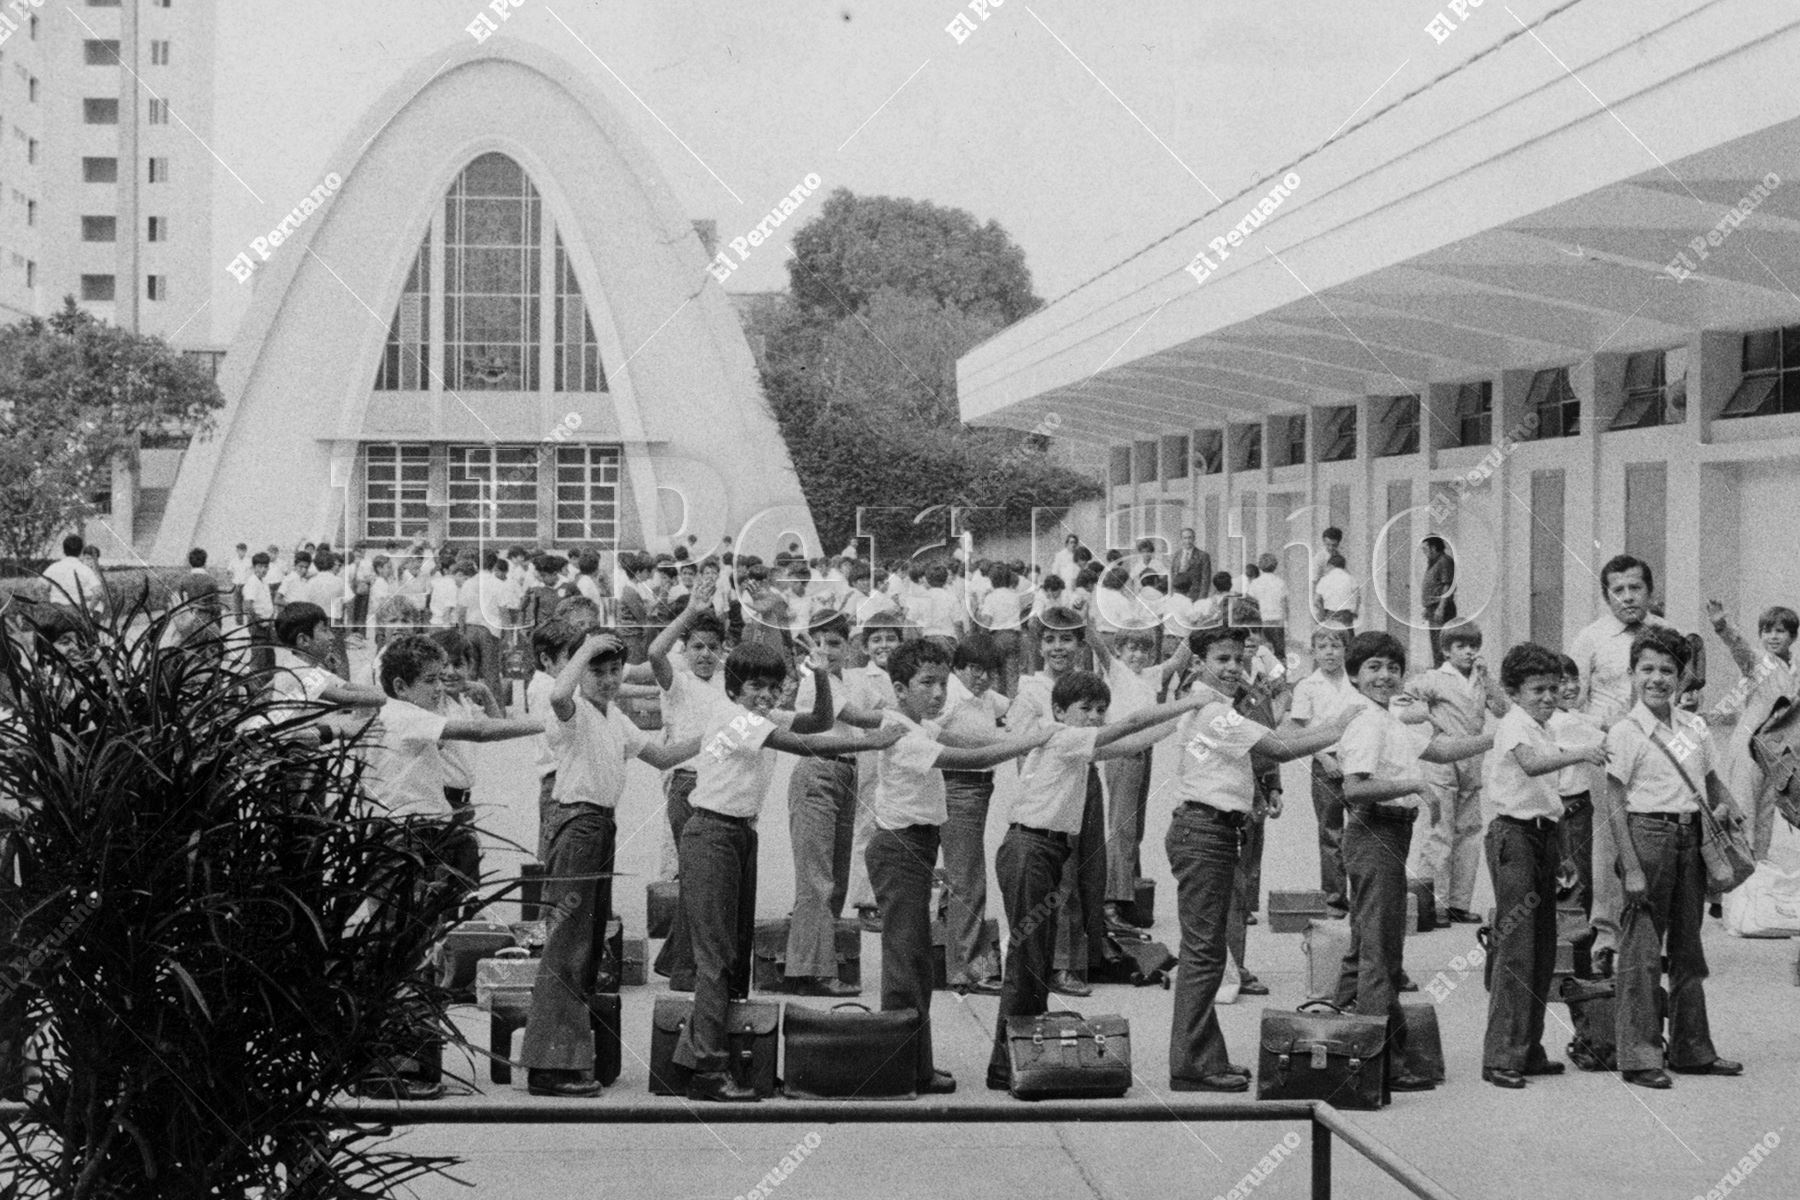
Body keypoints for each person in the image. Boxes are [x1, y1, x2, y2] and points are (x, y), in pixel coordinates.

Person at [674, 642, 903, 1102]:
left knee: (731, 956)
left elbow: (818, 720)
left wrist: (818, 675)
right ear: (735, 688)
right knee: (715, 956)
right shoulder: (734, 718)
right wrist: (870, 741)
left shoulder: (760, 717)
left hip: (738, 835)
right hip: (712, 834)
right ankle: (705, 1068)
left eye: (773, 687)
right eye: (755, 686)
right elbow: (808, 743)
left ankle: (706, 1057)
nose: (764, 695)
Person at [986, 670, 1208, 1092]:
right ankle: (1006, 1061)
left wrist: (1178, 723)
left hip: (1044, 851)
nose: (1093, 718)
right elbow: (1125, 726)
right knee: (1027, 960)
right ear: (1058, 711)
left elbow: (1130, 742)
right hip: (1029, 850)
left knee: (1036, 960)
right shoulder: (1060, 735)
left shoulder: (1076, 745)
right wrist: (1188, 703)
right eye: (1084, 709)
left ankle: (1021, 1054)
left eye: (1099, 710)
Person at [1165, 625, 1357, 1091]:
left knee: (1209, 953)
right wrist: (1344, 722)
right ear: (1198, 663)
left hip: (1213, 830)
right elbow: (1277, 747)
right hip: (1203, 832)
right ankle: (1192, 1063)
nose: (1232, 668)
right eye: (1222, 659)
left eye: (1237, 659)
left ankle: (1204, 1056)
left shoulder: (1219, 706)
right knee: (1205, 954)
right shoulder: (1211, 710)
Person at [520, 626, 698, 1098]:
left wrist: (715, 737)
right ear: (580, 670)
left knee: (588, 943)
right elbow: (561, 690)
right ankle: (548, 1065)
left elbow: (662, 756)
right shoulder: (571, 711)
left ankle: (567, 1057)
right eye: (597, 670)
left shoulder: (613, 717)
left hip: (600, 826)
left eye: (614, 670)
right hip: (576, 824)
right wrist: (583, 651)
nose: (607, 678)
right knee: (567, 944)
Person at [867, 638, 1048, 1095]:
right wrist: (1031, 740)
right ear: (899, 688)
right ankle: (900, 1068)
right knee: (907, 964)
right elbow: (971, 757)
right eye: (927, 683)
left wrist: (1011, 734)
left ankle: (914, 1064)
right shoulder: (904, 733)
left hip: (915, 845)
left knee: (916, 964)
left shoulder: (917, 724)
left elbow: (967, 738)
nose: (937, 693)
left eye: (943, 684)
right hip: (900, 847)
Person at [1332, 631, 1492, 1094]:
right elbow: (1354, 788)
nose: (1385, 676)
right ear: (1356, 676)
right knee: (1380, 951)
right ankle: (1381, 1062)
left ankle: (1350, 1032)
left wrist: (1489, 739)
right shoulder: (1365, 720)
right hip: (1374, 829)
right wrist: (1416, 786)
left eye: (1392, 667)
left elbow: (1439, 749)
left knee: (1376, 942)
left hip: (1392, 832)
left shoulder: (1391, 717)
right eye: (1373, 668)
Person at [1601, 627, 1745, 1089]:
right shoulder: (1625, 732)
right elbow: (1615, 804)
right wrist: (1633, 867)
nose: (1658, 679)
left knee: (1689, 950)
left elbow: (1708, 779)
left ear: (1682, 677)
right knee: (1642, 952)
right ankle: (1640, 1056)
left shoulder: (1694, 727)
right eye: (1648, 669)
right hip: (1647, 836)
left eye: (1668, 670)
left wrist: (1730, 805)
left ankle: (1692, 1050)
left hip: (1692, 840)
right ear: (1632, 674)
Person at [1479, 642, 1607, 1088]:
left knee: (1541, 949)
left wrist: (1563, 854)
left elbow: (1548, 798)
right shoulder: (1514, 725)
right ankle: (1501, 1057)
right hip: (1513, 836)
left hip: (1542, 835)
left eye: (1554, 689)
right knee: (1517, 948)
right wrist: (1582, 753)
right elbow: (1532, 767)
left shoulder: (1541, 725)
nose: (1549, 697)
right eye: (1538, 690)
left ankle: (1527, 1049)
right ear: (1514, 692)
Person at [1570, 554, 1673, 976]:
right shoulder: (1589, 639)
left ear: (1650, 591)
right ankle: (1607, 937)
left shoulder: (1669, 634)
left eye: (1636, 588)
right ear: (1606, 595)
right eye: (1619, 590)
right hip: (1610, 752)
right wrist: (1603, 725)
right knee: (1609, 841)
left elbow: (1683, 694)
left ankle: (1651, 938)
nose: (1628, 597)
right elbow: (1569, 703)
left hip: (1660, 755)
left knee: (1657, 837)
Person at [783, 613, 888, 995]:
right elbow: (858, 717)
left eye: (835, 643)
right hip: (819, 771)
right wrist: (904, 722)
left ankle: (820, 961)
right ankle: (812, 970)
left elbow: (878, 702)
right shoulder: (815, 678)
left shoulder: (850, 679)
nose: (826, 651)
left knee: (837, 877)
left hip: (846, 773)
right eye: (819, 643)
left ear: (849, 646)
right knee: (817, 878)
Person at [644, 582, 729, 991]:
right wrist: (689, 613)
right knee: (696, 877)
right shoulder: (676, 681)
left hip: (718, 785)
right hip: (686, 783)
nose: (705, 654)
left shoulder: (726, 684)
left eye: (713, 647)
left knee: (705, 880)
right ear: (686, 648)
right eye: (697, 646)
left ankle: (679, 960)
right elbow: (654, 652)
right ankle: (683, 968)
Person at [1087, 623, 1190, 934]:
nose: (1138, 655)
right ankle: (1112, 900)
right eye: (1132, 648)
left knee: (1135, 827)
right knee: (1123, 827)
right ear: (1120, 651)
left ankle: (1128, 893)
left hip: (1143, 752)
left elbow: (1179, 660)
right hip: (1120, 753)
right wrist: (1086, 617)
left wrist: (1199, 628)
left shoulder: (1152, 675)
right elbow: (1097, 645)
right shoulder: (1116, 671)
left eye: (1144, 649)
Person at [1408, 621, 1509, 925]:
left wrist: (1488, 677)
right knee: (1439, 830)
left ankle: (1458, 902)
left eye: (1473, 646)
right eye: (1460, 647)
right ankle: (1433, 903)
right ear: (1446, 651)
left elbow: (1502, 709)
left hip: (1472, 761)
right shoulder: (1435, 678)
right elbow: (1403, 701)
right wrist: (1427, 716)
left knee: (1469, 830)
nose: (1468, 652)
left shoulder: (1480, 680)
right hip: (1442, 760)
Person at [937, 634, 1011, 993]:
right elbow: (933, 734)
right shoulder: (952, 695)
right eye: (975, 669)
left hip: (978, 788)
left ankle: (960, 959)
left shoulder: (984, 697)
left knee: (962, 876)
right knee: (968, 879)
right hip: (959, 785)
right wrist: (991, 745)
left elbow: (1016, 708)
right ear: (958, 668)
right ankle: (965, 969)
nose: (982, 677)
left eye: (989, 671)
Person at [1705, 599, 1799, 858]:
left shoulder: (1794, 671)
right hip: (1749, 746)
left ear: (1792, 635)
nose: (1772, 636)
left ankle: (1759, 868)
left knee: (1767, 810)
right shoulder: (1759, 663)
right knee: (1743, 808)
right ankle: (1740, 866)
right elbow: (1740, 648)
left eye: (1780, 631)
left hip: (1777, 752)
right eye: (1767, 631)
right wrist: (1722, 625)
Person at [1288, 625, 1361, 917]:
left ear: (1346, 650)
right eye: (1323, 647)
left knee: (1360, 829)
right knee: (1331, 831)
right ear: (1314, 653)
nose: (1330, 653)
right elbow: (1302, 728)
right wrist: (1323, 757)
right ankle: (1334, 897)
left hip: (1356, 761)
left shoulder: (1355, 682)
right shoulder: (1307, 686)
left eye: (1336, 646)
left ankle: (1361, 894)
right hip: (1325, 763)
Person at [843, 615, 904, 931]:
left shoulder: (908, 671)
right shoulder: (858, 677)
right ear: (865, 647)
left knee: (901, 825)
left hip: (905, 758)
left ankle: (893, 896)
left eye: (890, 638)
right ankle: (867, 901)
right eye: (877, 640)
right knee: (868, 824)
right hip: (871, 755)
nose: (884, 645)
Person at [1550, 655, 1605, 918]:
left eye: (1574, 679)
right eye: (1562, 682)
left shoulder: (1564, 716)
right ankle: (1578, 943)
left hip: (1568, 808)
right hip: (1572, 808)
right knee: (1577, 878)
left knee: (1566, 876)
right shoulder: (1564, 723)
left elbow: (1590, 721)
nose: (1571, 687)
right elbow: (1608, 740)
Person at [41, 534, 104, 615]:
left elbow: (39, 587)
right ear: (81, 551)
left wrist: (47, 606)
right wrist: (89, 611)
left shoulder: (53, 567)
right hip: (77, 613)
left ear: (64, 551)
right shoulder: (85, 570)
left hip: (56, 612)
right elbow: (98, 593)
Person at [1245, 553, 1289, 660]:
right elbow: (1284, 604)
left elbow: (1250, 604)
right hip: (1277, 621)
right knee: (1279, 652)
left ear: (1260, 565)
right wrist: (1286, 622)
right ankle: (1280, 674)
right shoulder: (1280, 582)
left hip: (1262, 621)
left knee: (1261, 652)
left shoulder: (1255, 583)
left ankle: (1262, 673)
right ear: (1275, 566)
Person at [1421, 536, 1457, 667]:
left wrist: (1440, 608)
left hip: (1441, 608)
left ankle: (1443, 670)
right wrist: (1427, 607)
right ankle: (1439, 669)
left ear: (1434, 548)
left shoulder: (1444, 561)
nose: (1424, 553)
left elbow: (1447, 586)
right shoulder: (1433, 563)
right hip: (1433, 608)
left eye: (1426, 549)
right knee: (1436, 644)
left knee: (1442, 643)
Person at [1313, 553, 1361, 632]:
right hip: (1346, 615)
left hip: (1330, 614)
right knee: (1347, 640)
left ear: (1330, 565)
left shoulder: (1324, 579)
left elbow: (1317, 600)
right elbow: (1358, 597)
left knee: (1332, 640)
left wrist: (1321, 616)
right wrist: (1355, 612)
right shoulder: (1351, 578)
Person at [1169, 527, 1212, 600]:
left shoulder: (1203, 556)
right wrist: (1172, 595)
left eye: (1190, 538)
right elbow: (1172, 576)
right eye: (1185, 538)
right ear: (1181, 540)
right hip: (1178, 597)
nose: (1187, 541)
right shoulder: (1176, 555)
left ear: (1194, 539)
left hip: (1195, 597)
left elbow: (1206, 580)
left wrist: (1201, 600)